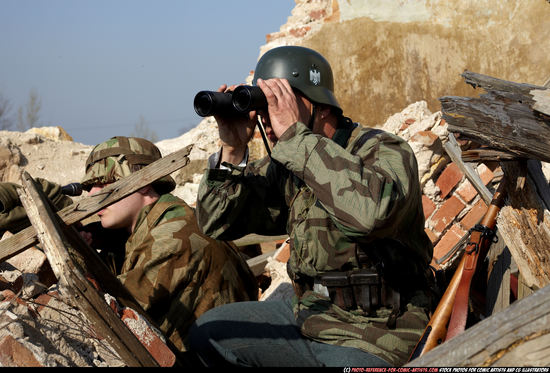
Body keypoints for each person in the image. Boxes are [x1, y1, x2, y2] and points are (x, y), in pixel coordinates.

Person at [187, 46, 436, 367]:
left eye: (278, 101)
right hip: (310, 314)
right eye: (265, 106)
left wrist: (294, 136)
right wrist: (232, 150)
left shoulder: (382, 150)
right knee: (208, 334)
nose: (269, 117)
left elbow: (369, 216)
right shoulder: (287, 164)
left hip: (376, 332)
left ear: (317, 105)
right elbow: (216, 224)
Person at [0, 136, 259, 361]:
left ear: (142, 182)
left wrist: (76, 252)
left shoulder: (174, 234)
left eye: (103, 183)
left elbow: (105, 313)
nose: (92, 195)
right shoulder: (147, 227)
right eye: (90, 187)